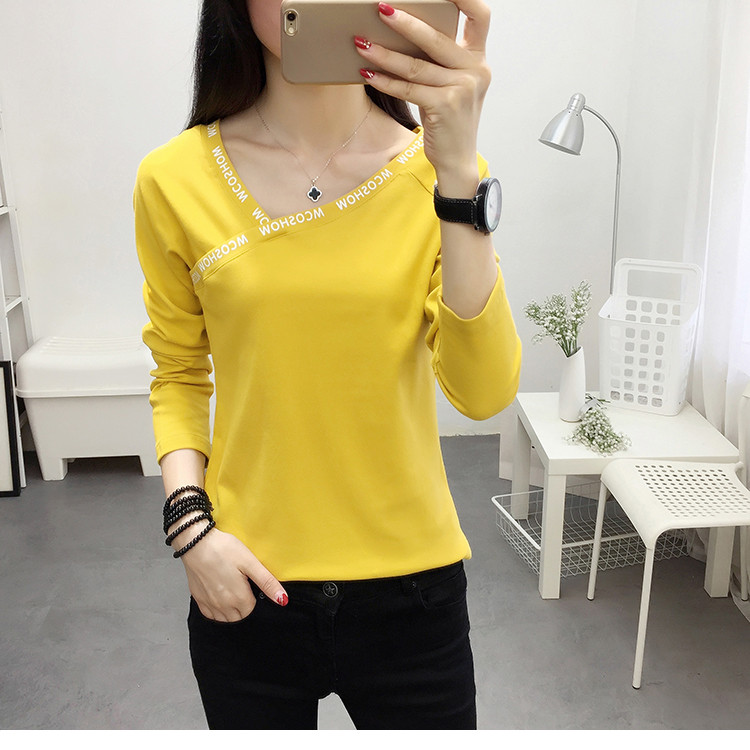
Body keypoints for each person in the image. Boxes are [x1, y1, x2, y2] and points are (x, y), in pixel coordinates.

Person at [134, 0, 521, 730]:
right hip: (246, 579)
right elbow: (179, 372)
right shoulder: (173, 178)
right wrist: (192, 533)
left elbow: (483, 391)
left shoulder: (439, 176)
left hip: (414, 591)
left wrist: (458, 170)